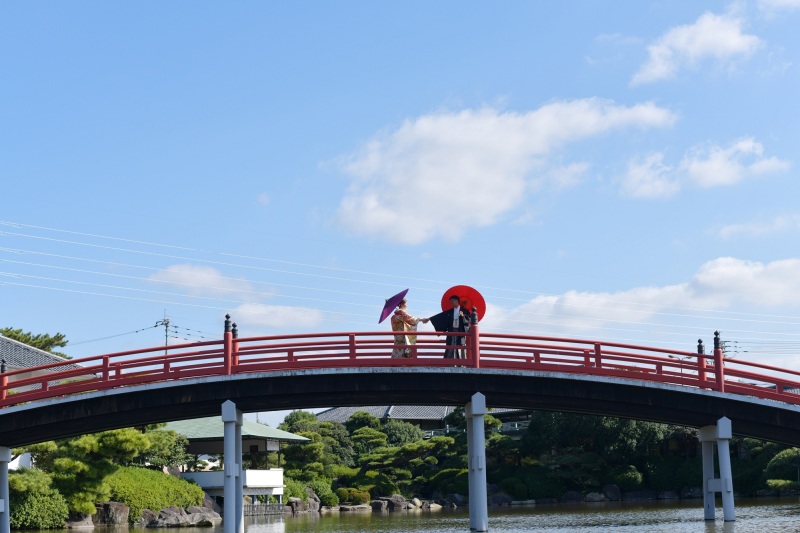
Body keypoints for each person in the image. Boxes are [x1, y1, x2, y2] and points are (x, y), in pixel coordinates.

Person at [429, 294, 471, 359]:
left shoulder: (465, 311)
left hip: (460, 333)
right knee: (450, 347)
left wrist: (463, 316)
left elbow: (468, 320)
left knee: (460, 347)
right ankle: (449, 362)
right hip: (451, 332)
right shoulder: (450, 311)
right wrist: (429, 319)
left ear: (457, 301)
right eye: (451, 301)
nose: (451, 303)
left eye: (452, 301)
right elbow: (440, 316)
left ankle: (461, 362)